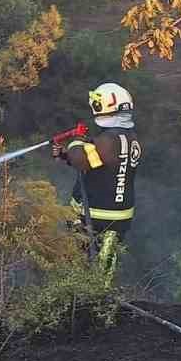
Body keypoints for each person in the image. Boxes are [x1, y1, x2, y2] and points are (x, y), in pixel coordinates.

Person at [52, 82, 141, 271]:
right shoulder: (129, 138)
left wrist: (76, 140)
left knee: (78, 264)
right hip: (119, 218)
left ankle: (81, 297)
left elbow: (82, 160)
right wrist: (65, 156)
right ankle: (100, 296)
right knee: (105, 266)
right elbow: (96, 163)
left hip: (92, 216)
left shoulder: (108, 140)